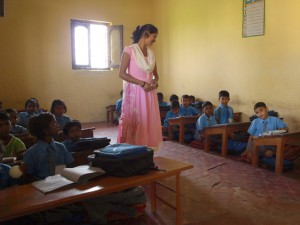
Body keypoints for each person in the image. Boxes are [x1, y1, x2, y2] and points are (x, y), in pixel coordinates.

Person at [118, 24, 162, 149]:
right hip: (135, 93)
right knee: (136, 123)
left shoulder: (151, 53)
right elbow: (121, 74)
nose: (155, 40)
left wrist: (154, 81)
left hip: (149, 93)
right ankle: (132, 151)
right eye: (154, 36)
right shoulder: (129, 50)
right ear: (146, 34)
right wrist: (142, 83)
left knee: (147, 123)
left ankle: (145, 152)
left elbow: (155, 75)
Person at [23, 113, 73, 181]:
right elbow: (28, 176)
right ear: (45, 130)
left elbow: (69, 166)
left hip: (62, 182)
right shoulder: (31, 153)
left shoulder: (61, 147)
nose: (58, 125)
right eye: (54, 124)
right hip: (40, 186)